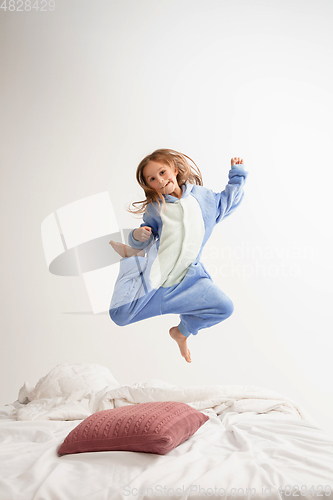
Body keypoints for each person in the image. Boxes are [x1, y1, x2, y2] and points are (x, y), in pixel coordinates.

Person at [109, 148, 248, 363]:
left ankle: (181, 333)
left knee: (224, 307)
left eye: (162, 172)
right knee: (119, 315)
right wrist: (138, 237)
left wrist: (237, 175)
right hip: (155, 281)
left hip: (188, 284)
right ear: (150, 186)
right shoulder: (156, 208)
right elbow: (145, 239)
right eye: (152, 179)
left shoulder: (204, 199)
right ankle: (130, 259)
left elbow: (229, 200)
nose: (160, 181)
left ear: (174, 170)